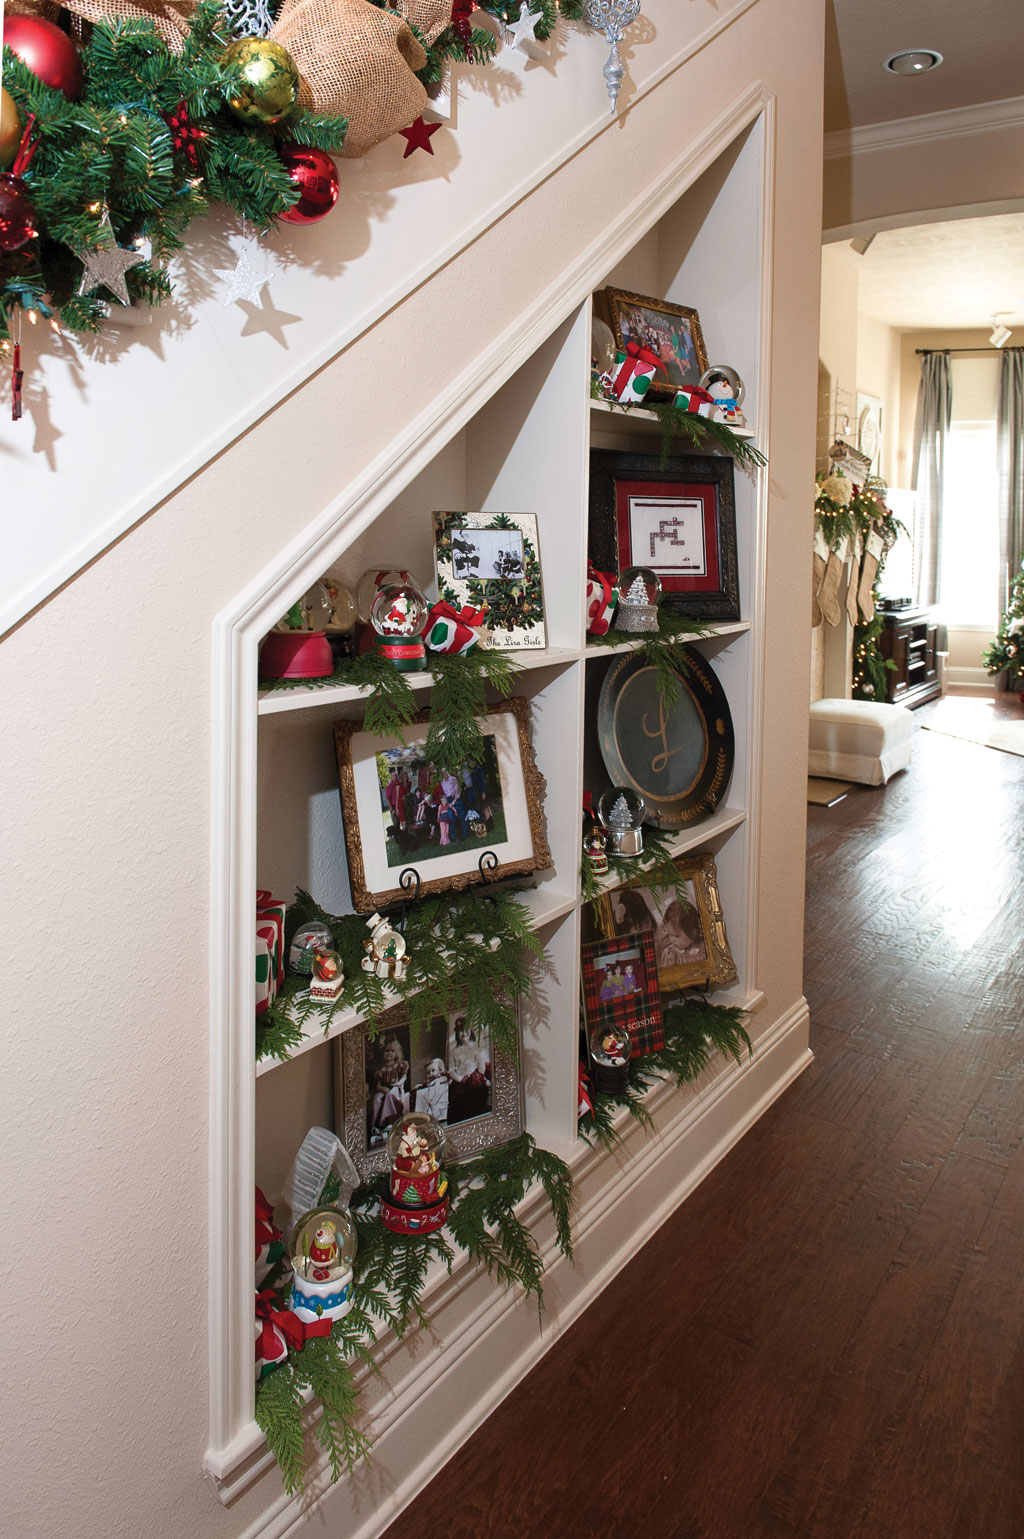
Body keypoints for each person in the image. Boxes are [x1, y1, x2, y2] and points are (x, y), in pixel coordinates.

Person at [367, 1033, 410, 1143]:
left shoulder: (399, 1066)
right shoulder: (382, 1070)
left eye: (392, 1051)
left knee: (391, 1094)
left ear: (396, 1053)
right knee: (377, 1098)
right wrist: (383, 1089)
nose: (389, 1054)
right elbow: (378, 1085)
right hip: (385, 1090)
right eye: (387, 1051)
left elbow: (404, 1076)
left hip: (397, 1089)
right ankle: (375, 1126)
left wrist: (398, 1083)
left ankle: (387, 1122)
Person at [654, 900, 706, 966]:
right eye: (670, 935)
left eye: (676, 936)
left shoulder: (705, 947)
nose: (672, 939)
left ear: (693, 931)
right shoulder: (672, 955)